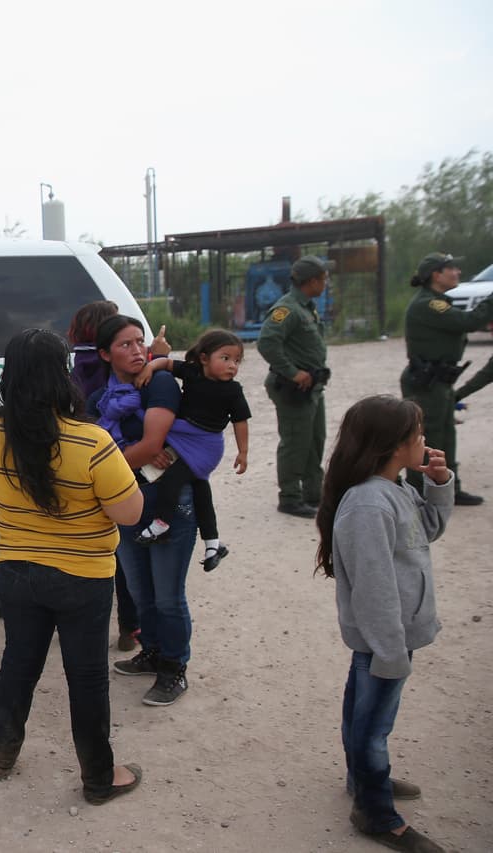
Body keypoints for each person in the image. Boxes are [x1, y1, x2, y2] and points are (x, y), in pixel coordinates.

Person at [0, 328, 145, 805]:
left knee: (19, 662)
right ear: (62, 374)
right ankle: (98, 777)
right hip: (83, 576)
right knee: (87, 675)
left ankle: (1, 753)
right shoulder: (92, 443)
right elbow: (130, 514)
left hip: (15, 569)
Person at [315, 395, 452, 853]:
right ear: (394, 445)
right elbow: (374, 588)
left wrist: (438, 482)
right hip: (384, 640)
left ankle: (364, 781)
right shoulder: (368, 505)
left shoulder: (394, 487)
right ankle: (376, 814)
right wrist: (391, 650)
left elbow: (428, 528)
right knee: (373, 727)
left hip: (391, 636)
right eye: (417, 435)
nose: (424, 441)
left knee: (364, 716)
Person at [88, 315, 195, 707]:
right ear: (104, 354)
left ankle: (174, 668)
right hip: (127, 500)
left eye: (140, 342)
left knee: (168, 595)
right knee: (139, 590)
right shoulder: (103, 397)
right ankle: (151, 652)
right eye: (125, 345)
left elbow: (152, 446)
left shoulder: (161, 383)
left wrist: (106, 466)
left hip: (169, 500)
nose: (137, 351)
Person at [68, 301, 167, 651]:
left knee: (99, 554)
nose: (134, 349)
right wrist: (158, 358)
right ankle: (130, 628)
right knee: (129, 565)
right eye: (125, 341)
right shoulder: (137, 375)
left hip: (93, 467)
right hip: (131, 471)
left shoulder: (78, 366)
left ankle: (88, 625)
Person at [134, 329, 251, 571]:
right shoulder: (192, 372)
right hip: (183, 435)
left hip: (206, 445)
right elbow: (166, 363)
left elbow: (240, 422)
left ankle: (162, 523)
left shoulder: (233, 390)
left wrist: (243, 452)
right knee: (200, 489)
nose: (232, 366)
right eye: (226, 358)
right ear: (204, 358)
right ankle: (213, 543)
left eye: (237, 361)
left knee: (173, 479)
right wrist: (149, 367)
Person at [401, 252, 493, 505]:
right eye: (451, 268)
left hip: (440, 381)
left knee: (445, 438)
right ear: (436, 275)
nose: (457, 273)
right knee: (426, 439)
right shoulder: (428, 304)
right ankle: (418, 492)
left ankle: (449, 488)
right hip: (427, 382)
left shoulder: (438, 301)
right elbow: (471, 321)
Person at [257, 256, 332, 518]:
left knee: (314, 440)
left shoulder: (306, 307)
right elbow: (267, 342)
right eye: (324, 278)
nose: (326, 283)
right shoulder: (287, 309)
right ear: (312, 281)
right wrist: (292, 372)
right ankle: (289, 497)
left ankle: (313, 493)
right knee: (295, 442)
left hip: (312, 388)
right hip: (293, 388)